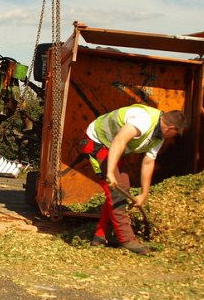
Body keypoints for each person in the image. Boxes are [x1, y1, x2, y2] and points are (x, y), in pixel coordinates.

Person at [80, 105, 188, 254]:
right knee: (116, 193)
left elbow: (148, 162)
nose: (173, 137)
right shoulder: (143, 120)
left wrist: (144, 193)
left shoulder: (158, 138)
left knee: (123, 187)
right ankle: (127, 240)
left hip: (113, 148)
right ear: (170, 128)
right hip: (97, 141)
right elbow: (119, 141)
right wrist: (110, 172)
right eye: (175, 133)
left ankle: (100, 236)